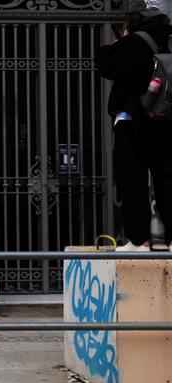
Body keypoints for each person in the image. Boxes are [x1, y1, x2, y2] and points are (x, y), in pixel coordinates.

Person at [97, 0, 172, 251]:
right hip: (165, 120)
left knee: (132, 178)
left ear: (135, 18)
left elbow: (106, 63)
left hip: (133, 119)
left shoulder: (134, 42)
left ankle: (140, 240)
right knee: (166, 179)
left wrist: (120, 43)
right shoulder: (168, 40)